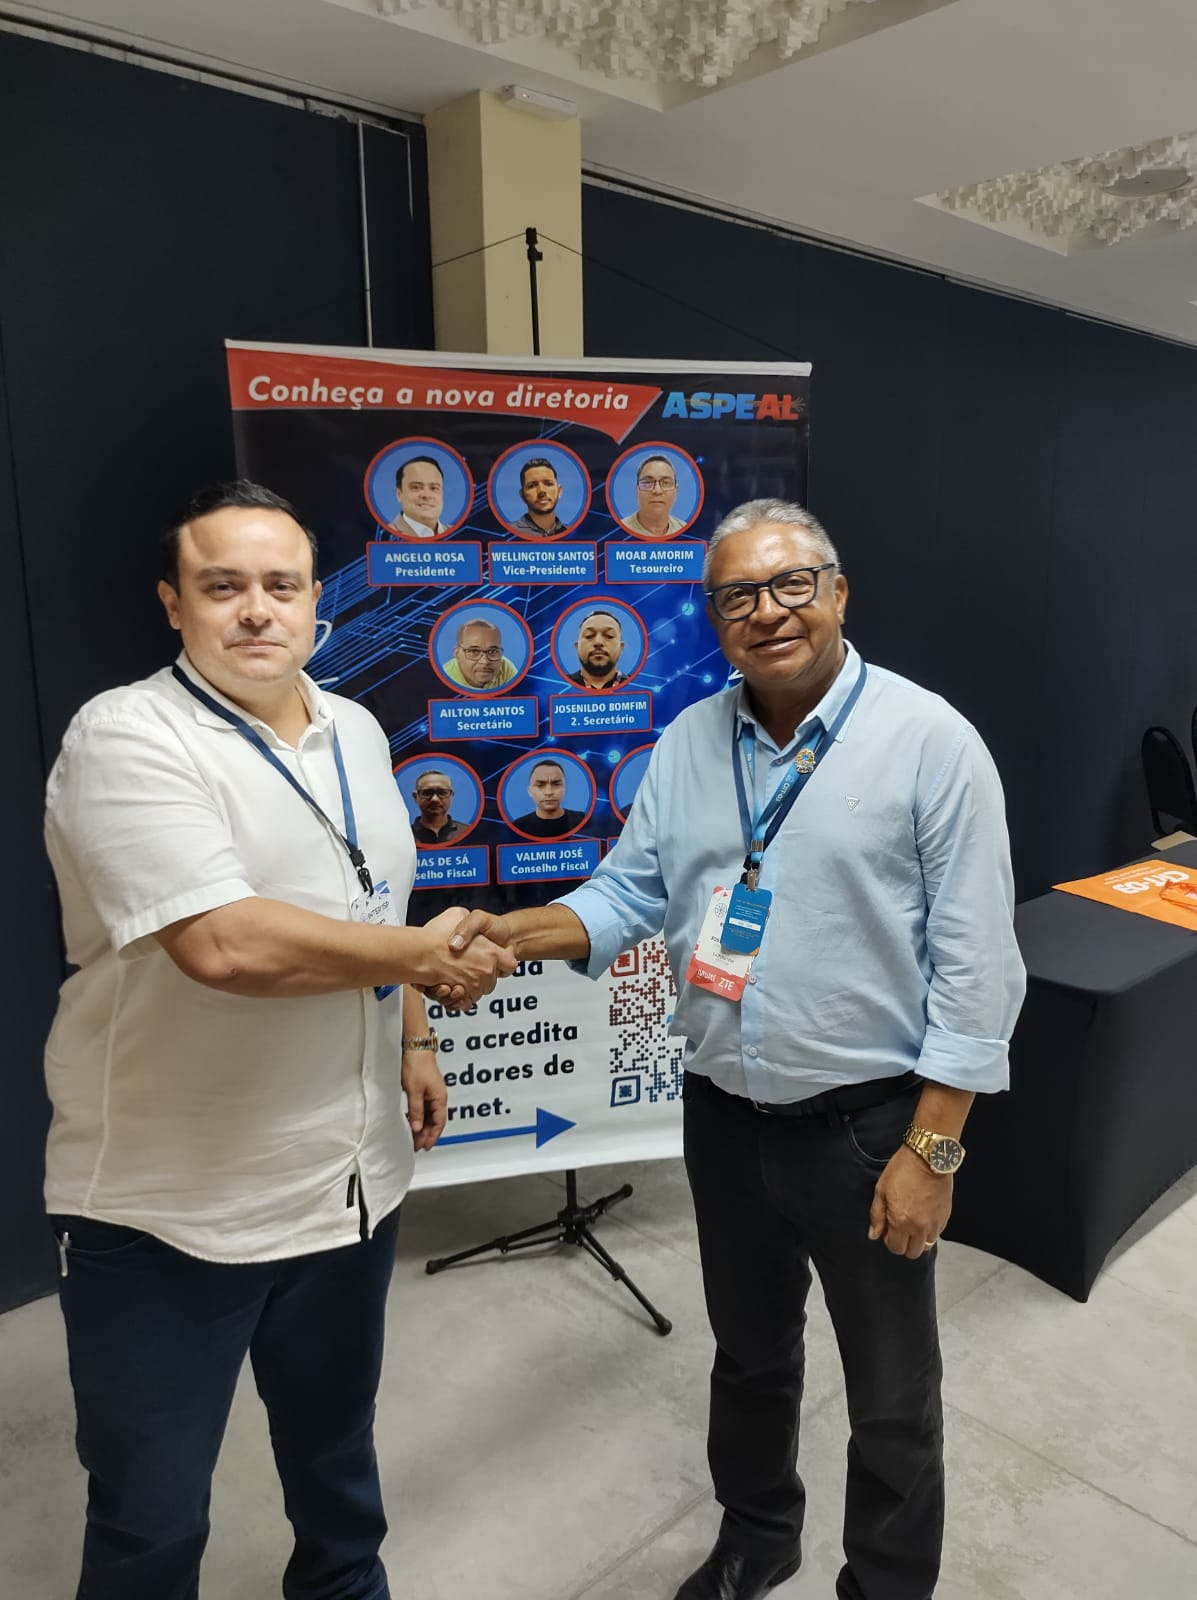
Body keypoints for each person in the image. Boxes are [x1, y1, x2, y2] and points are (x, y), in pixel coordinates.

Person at [447, 499, 1025, 1600]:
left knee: (891, 1394)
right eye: (736, 596)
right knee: (750, 1357)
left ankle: (886, 1584)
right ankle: (759, 1537)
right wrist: (505, 936)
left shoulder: (930, 742)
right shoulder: (687, 741)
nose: (767, 611)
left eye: (791, 584)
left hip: (869, 1129)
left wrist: (932, 1151)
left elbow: (978, 968)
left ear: (838, 592)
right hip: (721, 1116)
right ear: (713, 617)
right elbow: (628, 892)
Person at [42, 479, 514, 1600]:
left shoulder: (355, 728)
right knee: (151, 1517)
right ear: (175, 604)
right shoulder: (126, 736)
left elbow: (376, 900)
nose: (256, 609)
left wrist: (413, 1036)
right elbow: (223, 944)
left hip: (347, 1184)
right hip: (173, 1209)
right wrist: (425, 961)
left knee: (336, 1465)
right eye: (223, 586)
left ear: (315, 603)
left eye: (280, 585)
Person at [510, 758, 585, 838]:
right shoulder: (518, 827)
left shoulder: (582, 821)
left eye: (556, 784)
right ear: (530, 791)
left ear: (564, 788)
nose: (549, 792)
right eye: (540, 785)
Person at [619, 453, 686, 538]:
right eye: (647, 483)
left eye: (666, 483)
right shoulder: (619, 531)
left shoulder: (686, 531)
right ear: (637, 490)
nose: (657, 491)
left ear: (676, 490)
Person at [442, 616, 518, 691]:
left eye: (492, 651)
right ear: (457, 654)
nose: (485, 662)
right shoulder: (443, 679)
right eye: (474, 651)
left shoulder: (505, 667)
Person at [565, 609, 631, 691]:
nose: (598, 642)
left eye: (609, 636)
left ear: (621, 647)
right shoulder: (559, 687)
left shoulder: (638, 688)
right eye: (589, 636)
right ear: (577, 646)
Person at [388, 454, 447, 538]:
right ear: (399, 494)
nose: (427, 495)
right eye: (416, 487)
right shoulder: (386, 536)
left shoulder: (459, 534)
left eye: (434, 488)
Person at [512, 457, 568, 536]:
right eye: (532, 486)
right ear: (522, 495)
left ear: (559, 491)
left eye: (548, 484)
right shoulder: (510, 532)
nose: (541, 491)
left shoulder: (575, 534)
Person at [411, 769, 466, 845]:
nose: (435, 799)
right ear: (415, 797)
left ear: (451, 795)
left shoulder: (468, 832)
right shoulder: (404, 835)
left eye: (442, 792)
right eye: (427, 793)